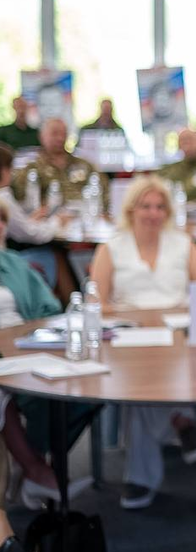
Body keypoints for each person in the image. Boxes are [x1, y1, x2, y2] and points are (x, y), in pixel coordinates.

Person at [87, 176, 196, 510]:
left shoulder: (183, 244)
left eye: (160, 207)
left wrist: (175, 315)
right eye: (146, 206)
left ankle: (141, 478)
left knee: (147, 391)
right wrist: (137, 315)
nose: (153, 213)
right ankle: (182, 422)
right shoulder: (111, 247)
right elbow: (95, 302)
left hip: (178, 335)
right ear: (131, 209)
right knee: (141, 384)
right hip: (129, 337)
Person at [0, 201, 93, 508]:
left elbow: (50, 310)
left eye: (1, 221)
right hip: (5, 356)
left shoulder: (15, 264)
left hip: (26, 345)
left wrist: (36, 333)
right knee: (10, 392)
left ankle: (35, 463)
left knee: (85, 389)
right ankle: (36, 469)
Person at [0, 143, 64, 286]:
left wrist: (29, 220)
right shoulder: (3, 198)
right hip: (6, 261)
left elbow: (16, 227)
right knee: (55, 254)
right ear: (4, 170)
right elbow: (33, 235)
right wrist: (57, 221)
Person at [10, 118, 108, 209]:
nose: (60, 138)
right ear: (42, 136)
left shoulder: (83, 165)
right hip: (48, 217)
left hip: (84, 214)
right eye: (55, 133)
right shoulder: (32, 169)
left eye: (63, 133)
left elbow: (103, 188)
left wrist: (102, 211)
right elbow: (19, 196)